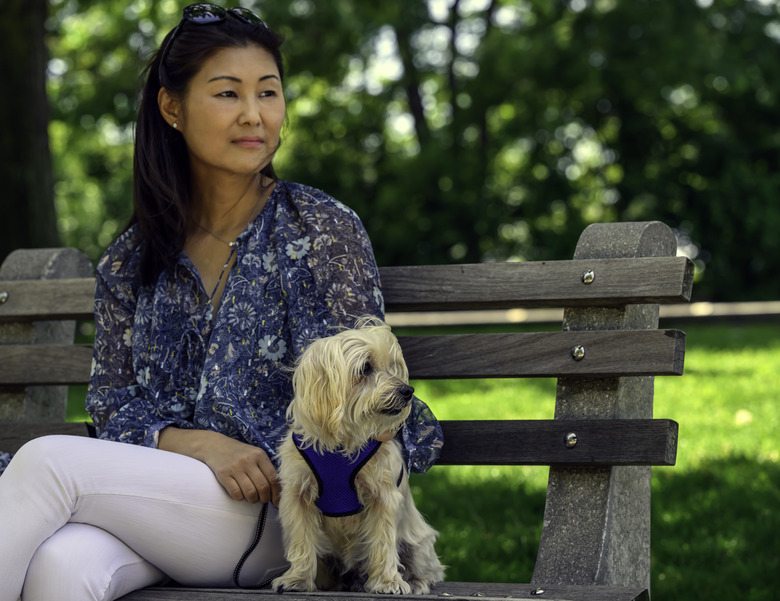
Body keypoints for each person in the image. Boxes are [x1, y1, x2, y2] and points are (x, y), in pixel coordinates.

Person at [0, 4, 442, 600]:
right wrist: (196, 443)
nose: (255, 115)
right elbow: (110, 407)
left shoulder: (321, 232)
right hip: (158, 506)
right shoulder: (130, 260)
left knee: (45, 463)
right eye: (228, 93)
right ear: (172, 107)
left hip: (285, 514)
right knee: (62, 567)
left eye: (269, 93)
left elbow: (372, 388)